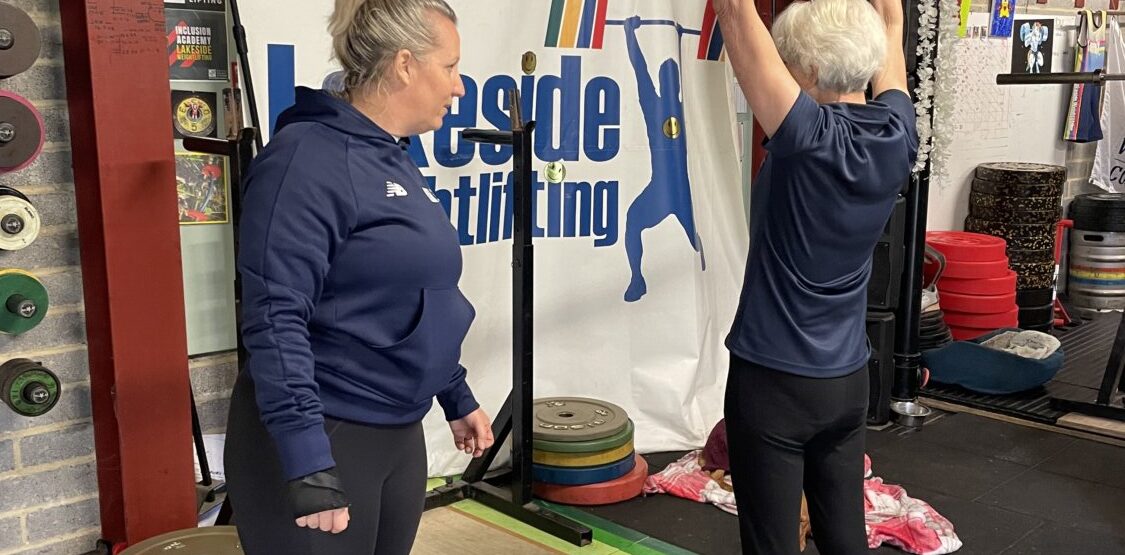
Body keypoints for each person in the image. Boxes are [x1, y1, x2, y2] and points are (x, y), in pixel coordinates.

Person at [223, 1, 494, 553]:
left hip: (397, 433)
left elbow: (410, 293)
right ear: (404, 65)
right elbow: (276, 318)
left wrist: (454, 392)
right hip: (324, 437)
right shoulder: (304, 161)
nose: (460, 86)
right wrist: (306, 461)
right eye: (450, 67)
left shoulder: (390, 157)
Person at [714, 0, 917, 553]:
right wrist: (890, 19)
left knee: (771, 543)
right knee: (844, 537)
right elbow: (893, 52)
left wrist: (888, 19)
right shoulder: (898, 135)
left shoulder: (806, 137)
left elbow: (734, 11)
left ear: (802, 69)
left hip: (773, 385)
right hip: (848, 384)